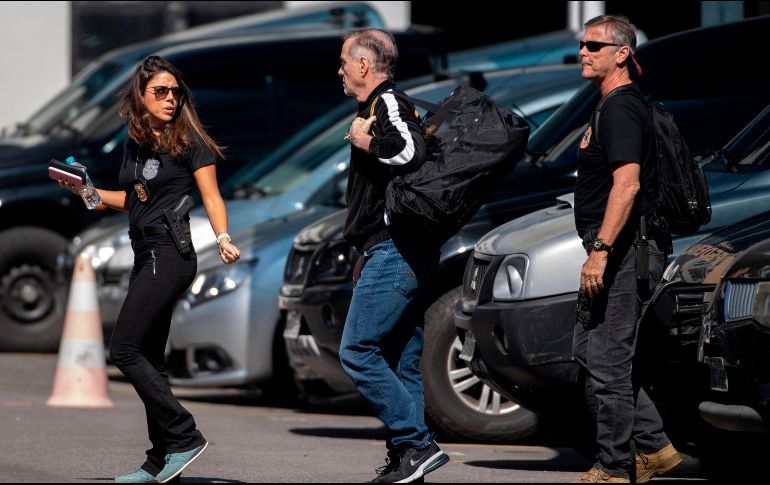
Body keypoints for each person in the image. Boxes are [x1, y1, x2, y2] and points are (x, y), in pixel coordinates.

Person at [56, 55, 240, 483]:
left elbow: (212, 196)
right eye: (161, 91)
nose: (171, 99)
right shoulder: (135, 141)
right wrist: (84, 189)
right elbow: (131, 200)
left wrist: (224, 236)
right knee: (151, 360)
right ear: (141, 95)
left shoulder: (189, 139)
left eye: (176, 92)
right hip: (145, 252)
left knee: (124, 349)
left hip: (170, 254)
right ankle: (159, 461)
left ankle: (184, 437)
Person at [571, 15, 682, 483]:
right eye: (582, 44)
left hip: (622, 253)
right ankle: (655, 446)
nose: (583, 52)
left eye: (594, 46)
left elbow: (628, 184)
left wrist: (600, 250)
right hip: (613, 251)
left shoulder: (620, 109)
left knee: (609, 363)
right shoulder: (610, 105)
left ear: (621, 54)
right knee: (587, 351)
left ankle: (615, 467)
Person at [336, 28, 449, 483]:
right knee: (401, 357)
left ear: (364, 65)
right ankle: (408, 459)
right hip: (392, 249)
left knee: (358, 351)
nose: (340, 69)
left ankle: (418, 443)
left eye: (344, 60)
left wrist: (364, 142)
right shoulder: (376, 106)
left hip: (396, 251)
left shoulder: (388, 103)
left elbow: (409, 149)